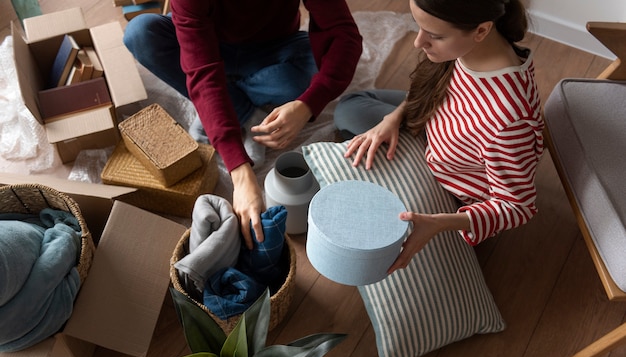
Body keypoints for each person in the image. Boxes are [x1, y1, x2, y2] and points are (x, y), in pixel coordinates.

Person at [123, 1, 363, 249]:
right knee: (141, 33)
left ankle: (222, 101)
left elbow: (344, 34)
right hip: (208, 42)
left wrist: (308, 105)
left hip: (274, 47)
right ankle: (241, 109)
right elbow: (202, 71)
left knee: (315, 68)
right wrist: (239, 172)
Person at [334, 0, 544, 274]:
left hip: (450, 197)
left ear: (481, 30)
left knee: (379, 239)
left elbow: (517, 206)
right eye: (419, 27)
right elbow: (430, 92)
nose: (418, 42)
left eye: (434, 35)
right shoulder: (469, 46)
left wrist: (440, 223)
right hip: (433, 128)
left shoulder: (508, 121)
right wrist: (393, 118)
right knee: (350, 108)